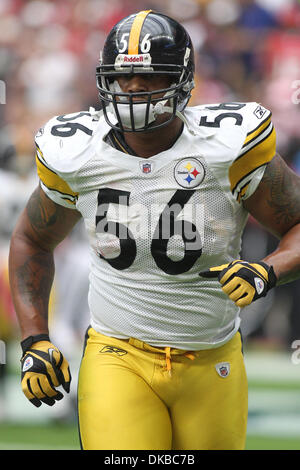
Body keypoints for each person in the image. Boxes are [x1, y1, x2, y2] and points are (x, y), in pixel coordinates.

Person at [8, 10, 300, 451]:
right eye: (123, 78)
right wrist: (35, 340)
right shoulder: (77, 153)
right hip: (117, 354)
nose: (134, 89)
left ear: (183, 81)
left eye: (151, 76)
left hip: (212, 355)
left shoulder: (226, 149)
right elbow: (32, 238)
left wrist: (266, 270)